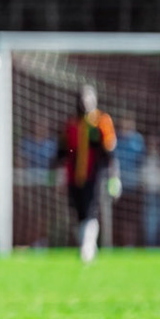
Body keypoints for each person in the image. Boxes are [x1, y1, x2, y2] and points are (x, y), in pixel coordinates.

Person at [56, 87, 116, 262]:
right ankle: (86, 245)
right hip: (74, 177)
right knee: (78, 212)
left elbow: (110, 151)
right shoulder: (71, 125)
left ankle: (87, 248)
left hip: (95, 176)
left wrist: (114, 175)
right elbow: (61, 152)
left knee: (91, 211)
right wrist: (57, 174)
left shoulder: (101, 122)